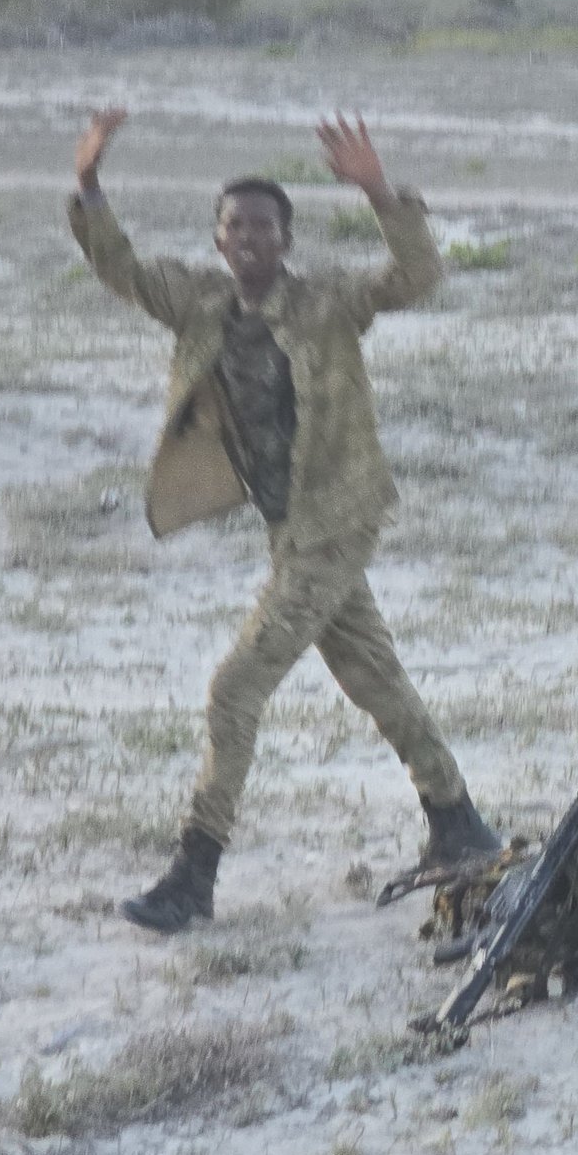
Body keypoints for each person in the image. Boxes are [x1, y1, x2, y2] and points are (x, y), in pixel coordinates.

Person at [68, 107, 499, 934]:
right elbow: (118, 266)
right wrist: (88, 184)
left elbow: (415, 278)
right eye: (236, 226)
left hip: (335, 518)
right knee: (373, 675)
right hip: (288, 526)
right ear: (219, 240)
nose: (250, 239)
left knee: (234, 687)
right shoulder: (198, 302)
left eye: (265, 226)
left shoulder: (326, 302)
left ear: (286, 240)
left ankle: (195, 876)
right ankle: (460, 825)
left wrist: (377, 189)